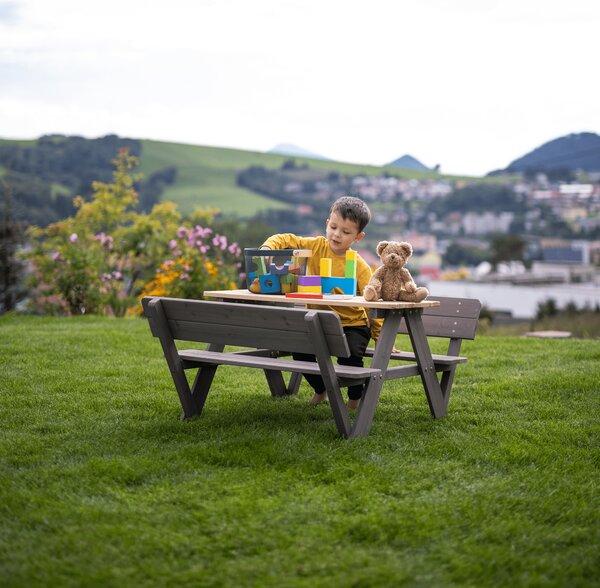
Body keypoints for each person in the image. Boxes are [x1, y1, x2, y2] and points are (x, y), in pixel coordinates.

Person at [261, 196, 382, 410]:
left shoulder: (360, 265)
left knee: (351, 357)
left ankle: (355, 399)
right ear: (327, 224)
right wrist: (267, 248)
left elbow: (373, 302)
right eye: (334, 227)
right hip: (317, 322)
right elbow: (286, 238)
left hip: (352, 325)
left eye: (346, 232)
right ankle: (322, 389)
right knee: (300, 353)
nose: (337, 234)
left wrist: (379, 335)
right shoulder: (315, 246)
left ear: (358, 237)